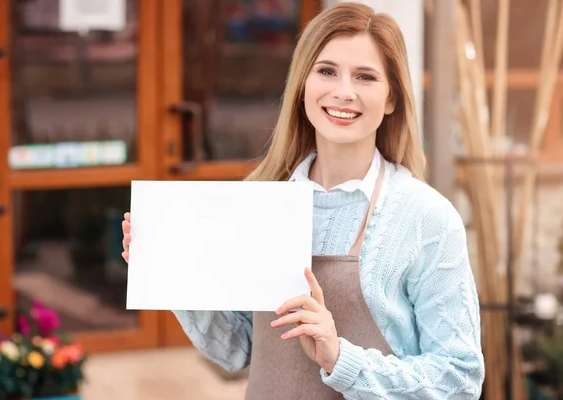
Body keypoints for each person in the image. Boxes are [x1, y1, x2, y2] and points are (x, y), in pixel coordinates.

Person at [121, 2, 485, 399]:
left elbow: (459, 378)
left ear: (393, 98)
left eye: (365, 77)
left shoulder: (425, 220)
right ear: (303, 85)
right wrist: (172, 272)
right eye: (326, 71)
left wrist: (339, 359)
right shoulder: (260, 202)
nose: (343, 92)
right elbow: (239, 348)